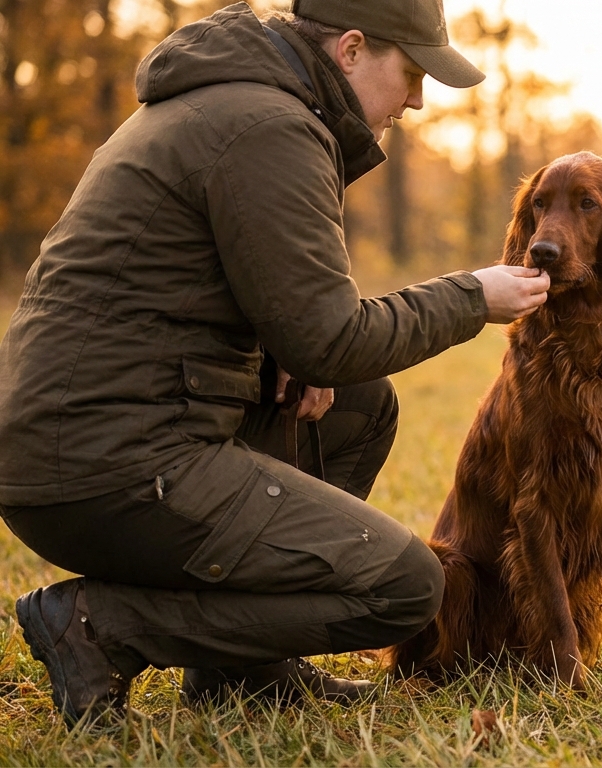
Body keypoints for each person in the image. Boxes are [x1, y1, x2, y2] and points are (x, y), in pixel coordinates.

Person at [0, 0, 549, 726]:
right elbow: (333, 340)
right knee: (406, 587)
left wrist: (285, 348)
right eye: (412, 73)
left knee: (357, 407)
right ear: (351, 49)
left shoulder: (235, 103)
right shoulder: (270, 126)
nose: (417, 99)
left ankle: (243, 668)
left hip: (89, 435)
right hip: (103, 462)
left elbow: (206, 298)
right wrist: (471, 297)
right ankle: (103, 628)